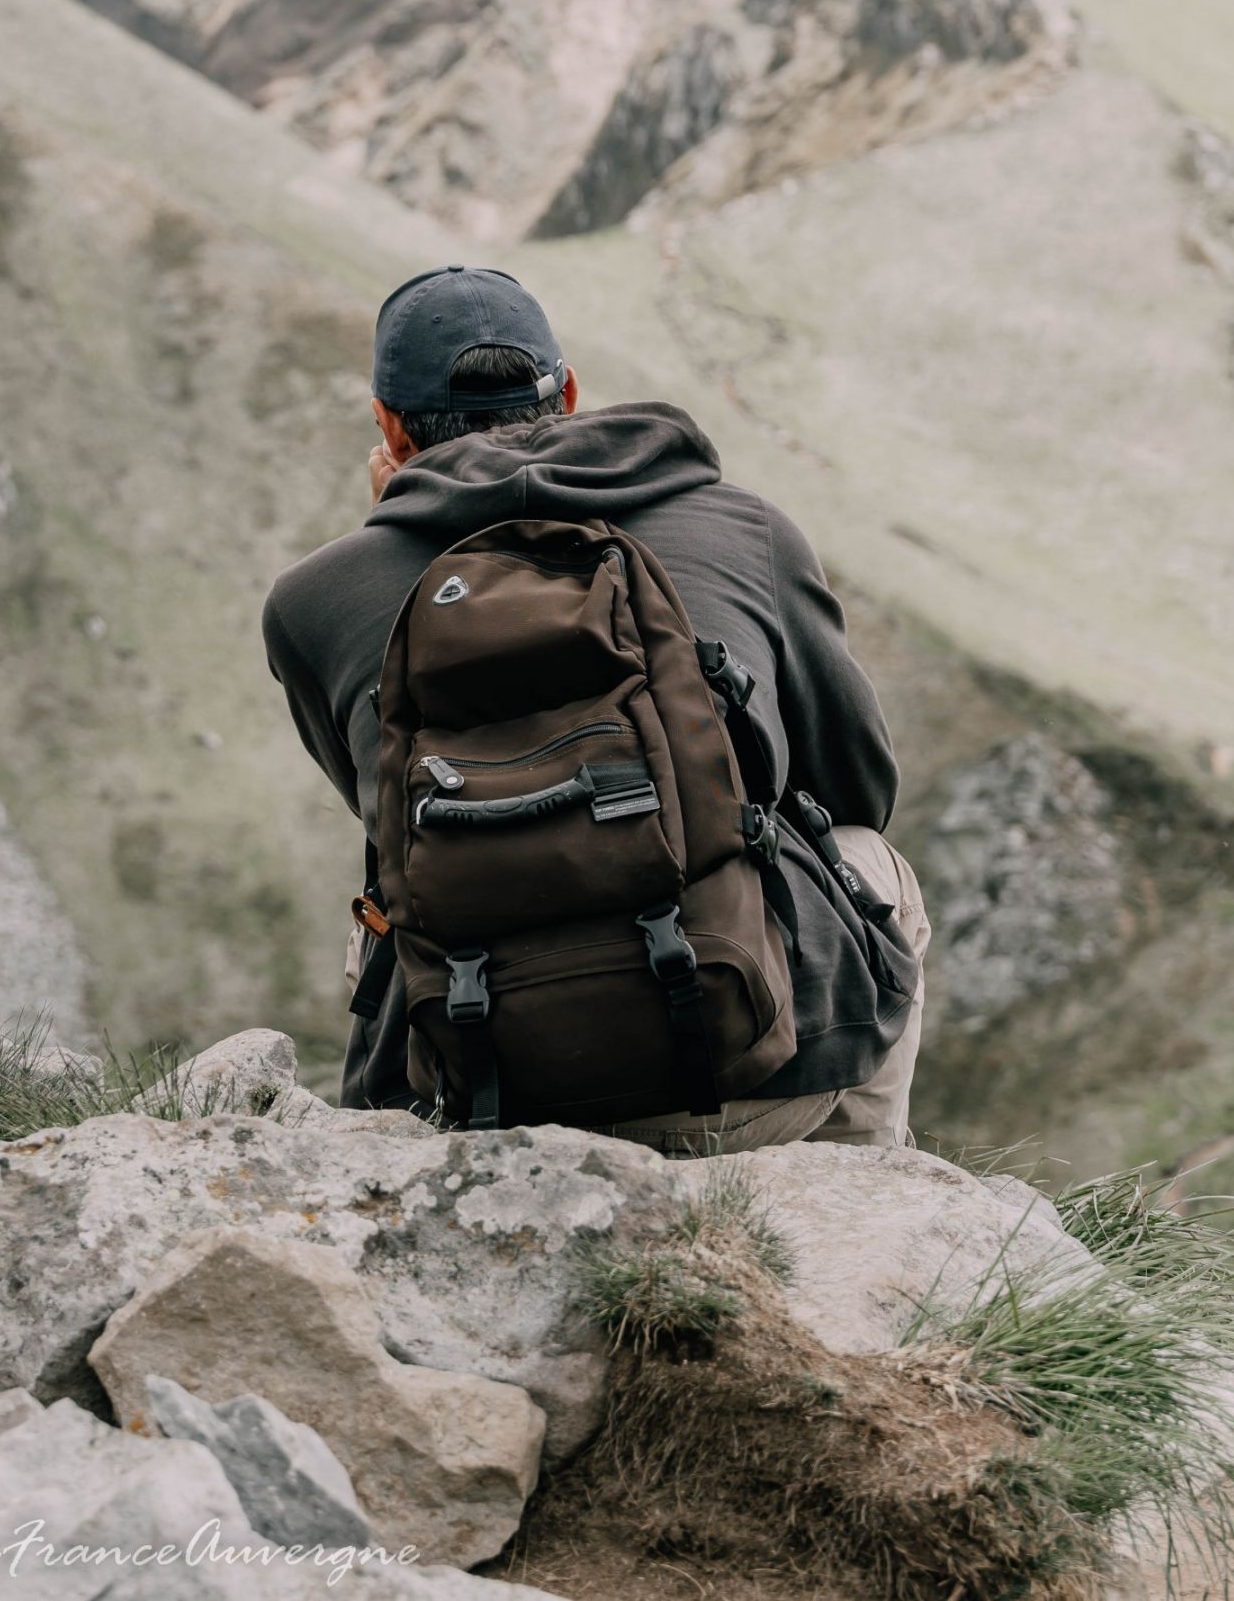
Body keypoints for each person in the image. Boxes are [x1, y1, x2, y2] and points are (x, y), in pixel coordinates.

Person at [261, 266, 932, 1151]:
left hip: (478, 1089)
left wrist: (399, 546)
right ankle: (864, 1200)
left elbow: (396, 819)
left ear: (388, 425)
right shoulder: (745, 527)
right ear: (568, 393)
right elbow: (855, 786)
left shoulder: (312, 600)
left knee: (386, 900)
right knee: (869, 860)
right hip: (748, 1070)